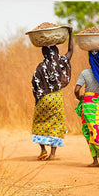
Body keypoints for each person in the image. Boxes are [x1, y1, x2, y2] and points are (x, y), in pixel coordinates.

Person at [31, 28, 73, 160]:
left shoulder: (40, 67)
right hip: (56, 98)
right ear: (56, 51)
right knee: (56, 123)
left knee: (39, 122)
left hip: (43, 99)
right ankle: (53, 154)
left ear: (44, 53)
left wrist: (38, 99)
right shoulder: (60, 62)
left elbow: (34, 83)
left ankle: (43, 149)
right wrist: (70, 34)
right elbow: (71, 51)